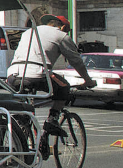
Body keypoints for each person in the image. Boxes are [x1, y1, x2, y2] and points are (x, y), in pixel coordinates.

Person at [7, 14, 96, 159]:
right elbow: (76, 61)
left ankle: (22, 130)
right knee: (63, 87)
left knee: (24, 109)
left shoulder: (28, 32)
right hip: (36, 73)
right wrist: (87, 80)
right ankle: (52, 120)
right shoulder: (61, 36)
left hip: (12, 75)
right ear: (61, 27)